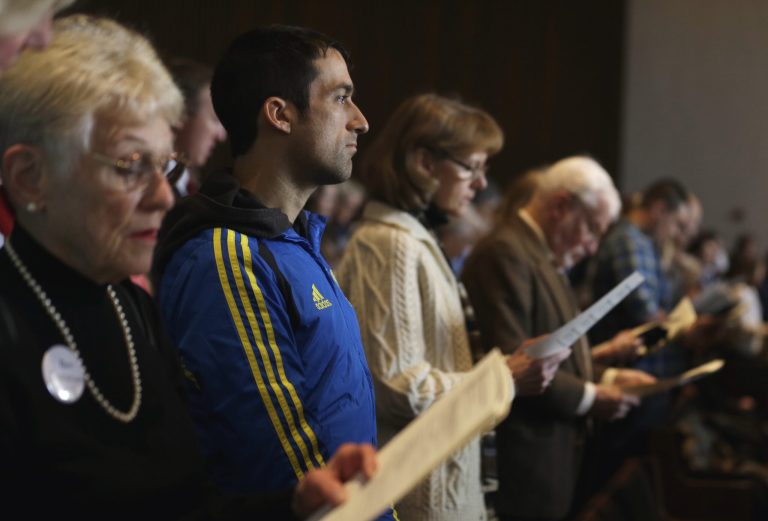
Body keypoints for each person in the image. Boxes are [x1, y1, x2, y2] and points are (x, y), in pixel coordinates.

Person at [0, 15, 375, 519]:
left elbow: (186, 503)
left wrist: (293, 506)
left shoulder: (131, 305)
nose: (161, 196)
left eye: (166, 167)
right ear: (30, 178)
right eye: (130, 166)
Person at [153, 25, 395, 520]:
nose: (361, 121)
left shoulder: (290, 240)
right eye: (341, 98)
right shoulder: (227, 255)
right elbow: (283, 465)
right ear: (279, 114)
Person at [337, 93, 568, 521]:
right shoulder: (389, 243)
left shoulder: (414, 239)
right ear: (424, 163)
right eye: (472, 168)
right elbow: (397, 387)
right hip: (423, 498)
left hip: (446, 487)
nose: (481, 185)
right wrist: (506, 376)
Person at [462, 156, 653, 521]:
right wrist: (592, 397)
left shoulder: (543, 254)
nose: (594, 246)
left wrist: (607, 377)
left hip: (551, 460)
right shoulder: (505, 252)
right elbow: (515, 363)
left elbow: (558, 350)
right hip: (521, 465)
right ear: (561, 206)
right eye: (592, 229)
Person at [166, 57, 227, 197]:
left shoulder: (194, 188)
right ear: (180, 113)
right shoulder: (149, 189)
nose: (221, 136)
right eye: (215, 119)